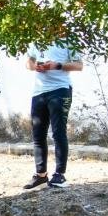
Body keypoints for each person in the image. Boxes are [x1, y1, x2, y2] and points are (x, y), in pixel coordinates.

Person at [23, 42, 82, 189]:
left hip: (60, 90)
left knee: (58, 132)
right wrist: (34, 66)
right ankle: (41, 175)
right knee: (38, 135)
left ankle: (59, 175)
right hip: (39, 92)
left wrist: (57, 65)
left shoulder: (68, 39)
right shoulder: (36, 40)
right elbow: (28, 62)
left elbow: (79, 65)